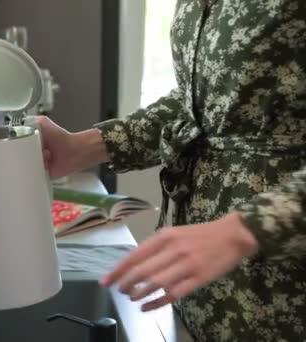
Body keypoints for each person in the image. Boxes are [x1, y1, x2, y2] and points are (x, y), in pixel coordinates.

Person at [37, 1, 305, 341]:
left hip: (283, 296)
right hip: (200, 300)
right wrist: (84, 147)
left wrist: (247, 228)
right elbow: (198, 103)